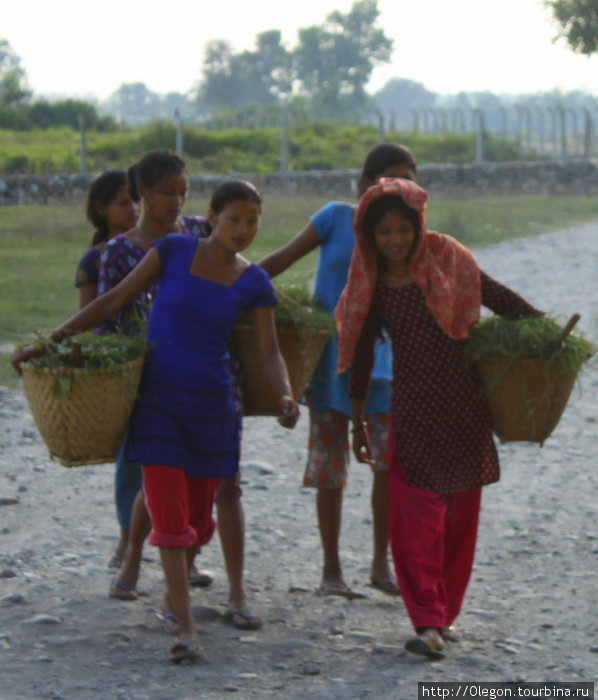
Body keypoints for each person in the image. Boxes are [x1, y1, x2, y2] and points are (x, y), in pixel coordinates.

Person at [12, 179, 300, 663]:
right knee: (168, 512)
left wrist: (286, 394)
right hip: (160, 402)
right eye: (234, 219)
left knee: (199, 519)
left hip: (214, 408)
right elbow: (111, 301)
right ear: (211, 216)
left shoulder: (255, 282)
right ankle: (186, 628)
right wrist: (47, 344)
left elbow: (269, 352)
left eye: (252, 221)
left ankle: (175, 598)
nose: (244, 230)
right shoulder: (172, 251)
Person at [336, 177, 542, 659]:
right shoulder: (370, 283)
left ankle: (443, 614)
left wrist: (543, 329)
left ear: (418, 226)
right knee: (415, 517)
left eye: (402, 229)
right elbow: (362, 354)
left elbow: (494, 295)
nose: (394, 240)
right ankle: (426, 619)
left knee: (459, 518)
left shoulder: (448, 258)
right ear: (369, 235)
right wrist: (358, 421)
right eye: (383, 231)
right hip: (412, 410)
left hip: (466, 408)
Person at [99, 150, 260, 631]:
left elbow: (240, 270)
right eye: (166, 192)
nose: (176, 201)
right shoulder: (122, 252)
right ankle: (135, 560)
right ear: (141, 194)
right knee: (159, 478)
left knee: (223, 485)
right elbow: (111, 315)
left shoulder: (196, 233)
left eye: (182, 192)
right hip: (154, 380)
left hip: (213, 379)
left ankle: (232, 589)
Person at [259, 144, 416, 598]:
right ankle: (331, 571)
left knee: (387, 465)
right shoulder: (333, 217)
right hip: (329, 363)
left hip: (386, 367)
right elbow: (281, 260)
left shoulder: (409, 234)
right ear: (364, 183)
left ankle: (380, 565)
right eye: (388, 178)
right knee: (330, 465)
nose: (397, 188)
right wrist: (233, 283)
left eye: (407, 180)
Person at [75, 169, 139, 308]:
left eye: (136, 200)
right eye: (123, 203)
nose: (133, 208)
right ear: (101, 209)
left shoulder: (150, 249)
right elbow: (86, 317)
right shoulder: (94, 259)